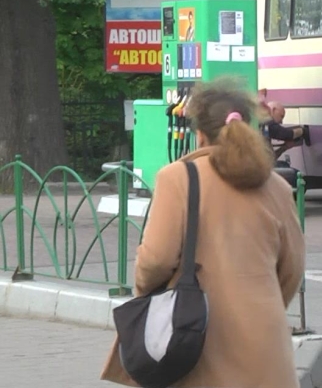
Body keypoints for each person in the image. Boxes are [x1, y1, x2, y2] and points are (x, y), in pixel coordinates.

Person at [101, 78, 306, 388]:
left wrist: (146, 293)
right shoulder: (277, 186)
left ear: (199, 135)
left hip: (196, 343)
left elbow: (156, 261)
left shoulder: (178, 179)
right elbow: (292, 269)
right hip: (267, 347)